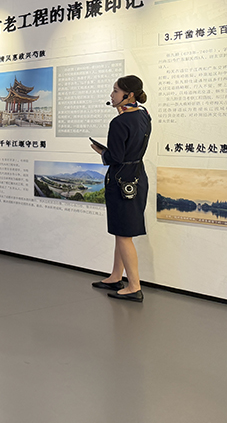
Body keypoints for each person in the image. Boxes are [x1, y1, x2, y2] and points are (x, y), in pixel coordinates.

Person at [90, 75, 151, 303]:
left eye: (116, 91)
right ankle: (116, 277)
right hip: (137, 177)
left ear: (129, 94)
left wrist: (102, 152)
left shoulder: (119, 123)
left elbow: (115, 157)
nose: (112, 94)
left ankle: (134, 286)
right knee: (122, 232)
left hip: (121, 180)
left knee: (124, 235)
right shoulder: (144, 115)